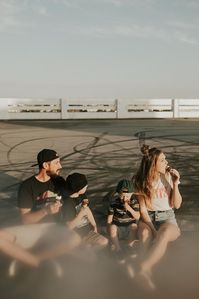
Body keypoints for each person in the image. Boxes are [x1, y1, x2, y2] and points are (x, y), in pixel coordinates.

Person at [5, 149, 81, 276]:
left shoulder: (59, 182)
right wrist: (45, 210)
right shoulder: (27, 186)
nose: (60, 166)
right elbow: (26, 220)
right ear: (45, 165)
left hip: (54, 228)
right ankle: (35, 261)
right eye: (56, 163)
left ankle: (36, 259)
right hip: (33, 230)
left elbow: (75, 193)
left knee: (75, 239)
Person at [133, 144, 182, 290]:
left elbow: (177, 205)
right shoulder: (139, 180)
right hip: (148, 218)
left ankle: (143, 267)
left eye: (165, 159)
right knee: (144, 233)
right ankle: (142, 274)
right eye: (162, 160)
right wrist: (153, 231)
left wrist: (175, 183)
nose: (166, 162)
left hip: (167, 217)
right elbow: (143, 211)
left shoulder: (168, 176)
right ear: (153, 164)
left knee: (165, 233)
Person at [61, 172, 108, 250]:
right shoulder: (68, 204)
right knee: (92, 247)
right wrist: (81, 214)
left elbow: (87, 210)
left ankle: (88, 252)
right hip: (75, 234)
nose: (87, 186)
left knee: (104, 242)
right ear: (78, 188)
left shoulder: (83, 196)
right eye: (85, 186)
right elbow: (69, 226)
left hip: (87, 231)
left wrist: (94, 225)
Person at [107, 179, 140, 262]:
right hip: (118, 227)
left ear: (132, 194)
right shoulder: (114, 203)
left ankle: (129, 247)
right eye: (122, 196)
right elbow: (109, 219)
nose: (125, 198)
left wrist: (129, 208)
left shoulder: (134, 202)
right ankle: (118, 250)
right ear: (118, 194)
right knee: (112, 227)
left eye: (128, 196)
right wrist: (109, 230)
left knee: (134, 226)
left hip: (129, 226)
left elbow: (137, 217)